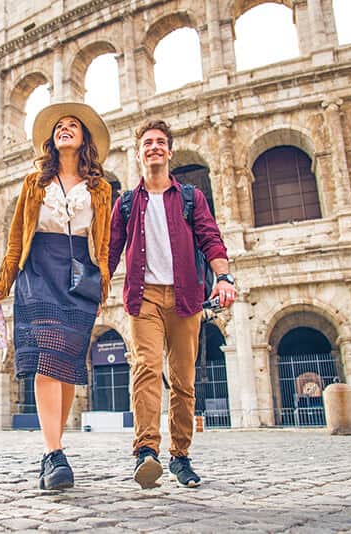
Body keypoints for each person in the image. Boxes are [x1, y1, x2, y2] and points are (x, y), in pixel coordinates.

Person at [0, 102, 112, 491]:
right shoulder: (33, 183)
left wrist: (103, 284)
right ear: (51, 140)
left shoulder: (101, 188)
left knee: (69, 362)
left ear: (84, 138)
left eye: (72, 125)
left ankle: (53, 451)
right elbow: (15, 239)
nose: (65, 129)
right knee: (46, 359)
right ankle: (54, 452)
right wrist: (0, 286)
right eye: (59, 126)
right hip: (38, 270)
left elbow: (103, 244)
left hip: (79, 277)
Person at [108, 119, 237, 489]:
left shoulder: (192, 198)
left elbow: (212, 239)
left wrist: (223, 277)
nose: (154, 147)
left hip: (185, 297)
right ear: (138, 153)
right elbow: (112, 251)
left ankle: (181, 456)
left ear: (169, 150)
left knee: (183, 382)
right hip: (143, 295)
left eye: (160, 142)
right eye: (147, 142)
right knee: (146, 367)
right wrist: (98, 288)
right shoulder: (128, 202)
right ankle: (146, 452)